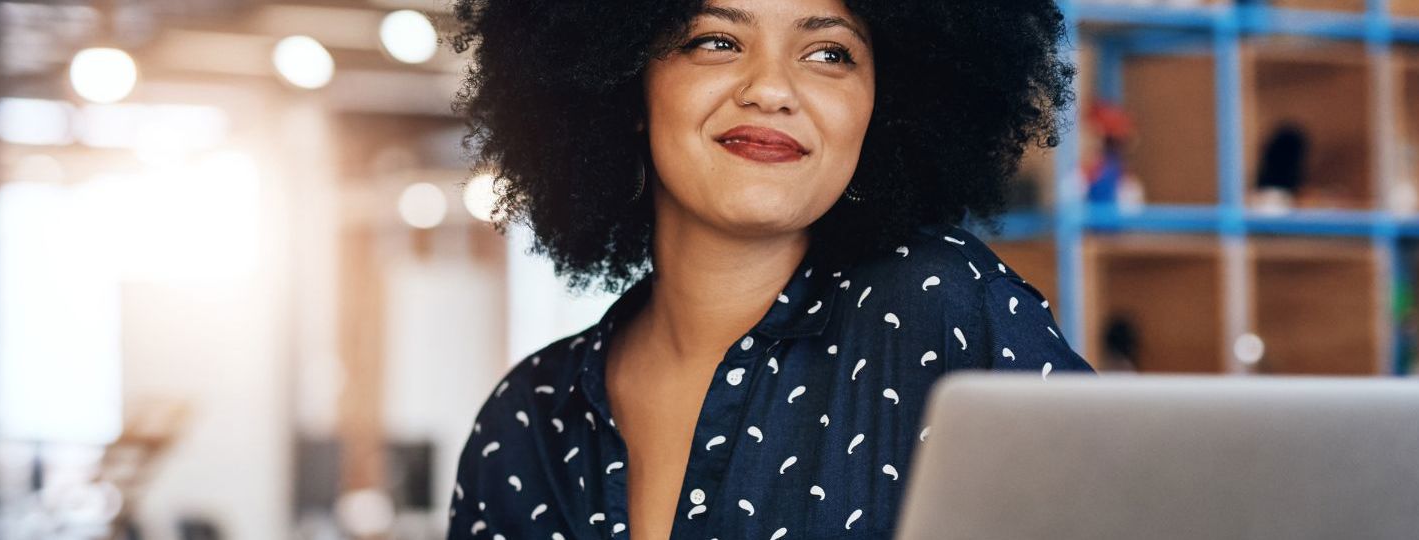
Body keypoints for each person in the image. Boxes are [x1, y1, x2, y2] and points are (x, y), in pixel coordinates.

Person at [445, 0, 1089, 538]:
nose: (773, 90)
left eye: (830, 53)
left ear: (882, 107)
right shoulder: (526, 423)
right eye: (718, 41)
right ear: (625, 84)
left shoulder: (947, 311)